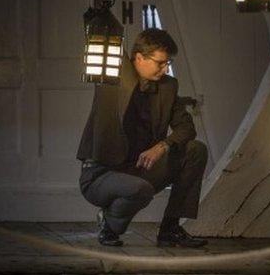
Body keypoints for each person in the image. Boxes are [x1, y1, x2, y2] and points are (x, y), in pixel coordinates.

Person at [76, 28, 209, 248]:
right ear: (139, 58)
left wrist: (163, 146)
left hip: (139, 168)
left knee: (195, 150)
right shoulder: (113, 79)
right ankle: (109, 225)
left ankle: (170, 229)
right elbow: (102, 28)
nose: (165, 68)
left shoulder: (168, 86)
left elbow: (186, 128)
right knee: (140, 189)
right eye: (160, 63)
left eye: (168, 63)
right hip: (101, 175)